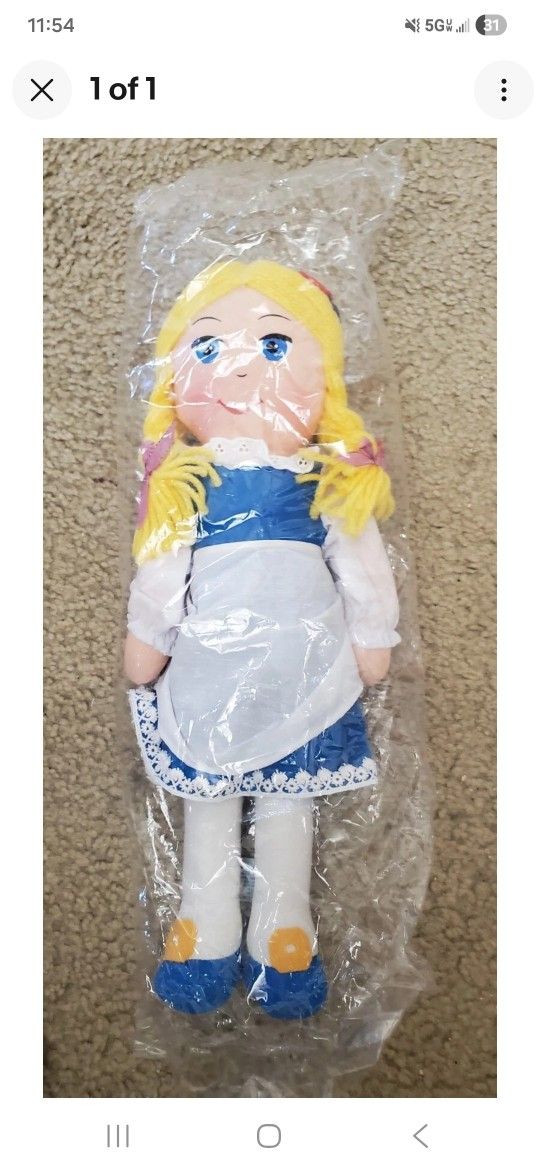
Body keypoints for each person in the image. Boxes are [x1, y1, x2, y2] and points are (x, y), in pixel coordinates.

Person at [124, 259, 400, 1019]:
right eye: (208, 348)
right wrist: (150, 634)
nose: (242, 369)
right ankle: (205, 928)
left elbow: (362, 564)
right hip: (211, 665)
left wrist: (372, 632)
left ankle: (284, 935)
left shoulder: (323, 476)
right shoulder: (189, 479)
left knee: (288, 803)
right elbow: (163, 566)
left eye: (275, 346)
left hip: (303, 667)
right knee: (211, 796)